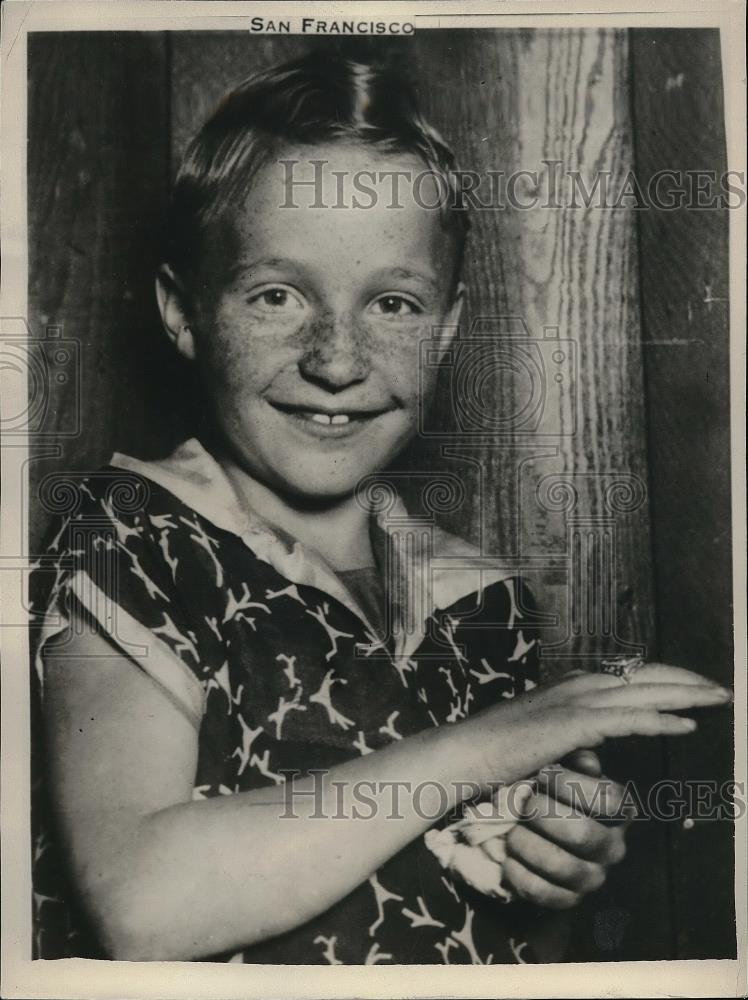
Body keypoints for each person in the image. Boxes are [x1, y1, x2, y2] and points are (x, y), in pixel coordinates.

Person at [29, 51, 731, 965]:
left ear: (444, 328)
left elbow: (490, 933)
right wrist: (491, 746)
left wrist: (546, 860)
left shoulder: (485, 605)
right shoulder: (131, 532)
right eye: (277, 295)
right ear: (182, 310)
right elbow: (143, 903)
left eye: (393, 304)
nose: (336, 358)